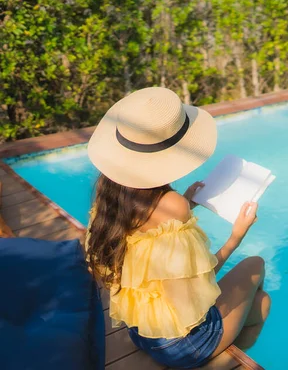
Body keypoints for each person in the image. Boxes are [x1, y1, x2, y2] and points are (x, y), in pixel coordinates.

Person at [84, 87, 270, 369]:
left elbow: (143, 243)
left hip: (141, 333)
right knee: (257, 273)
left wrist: (184, 202)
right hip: (182, 345)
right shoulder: (172, 206)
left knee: (260, 300)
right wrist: (236, 236)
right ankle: (222, 358)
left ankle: (228, 350)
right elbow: (199, 287)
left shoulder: (108, 193)